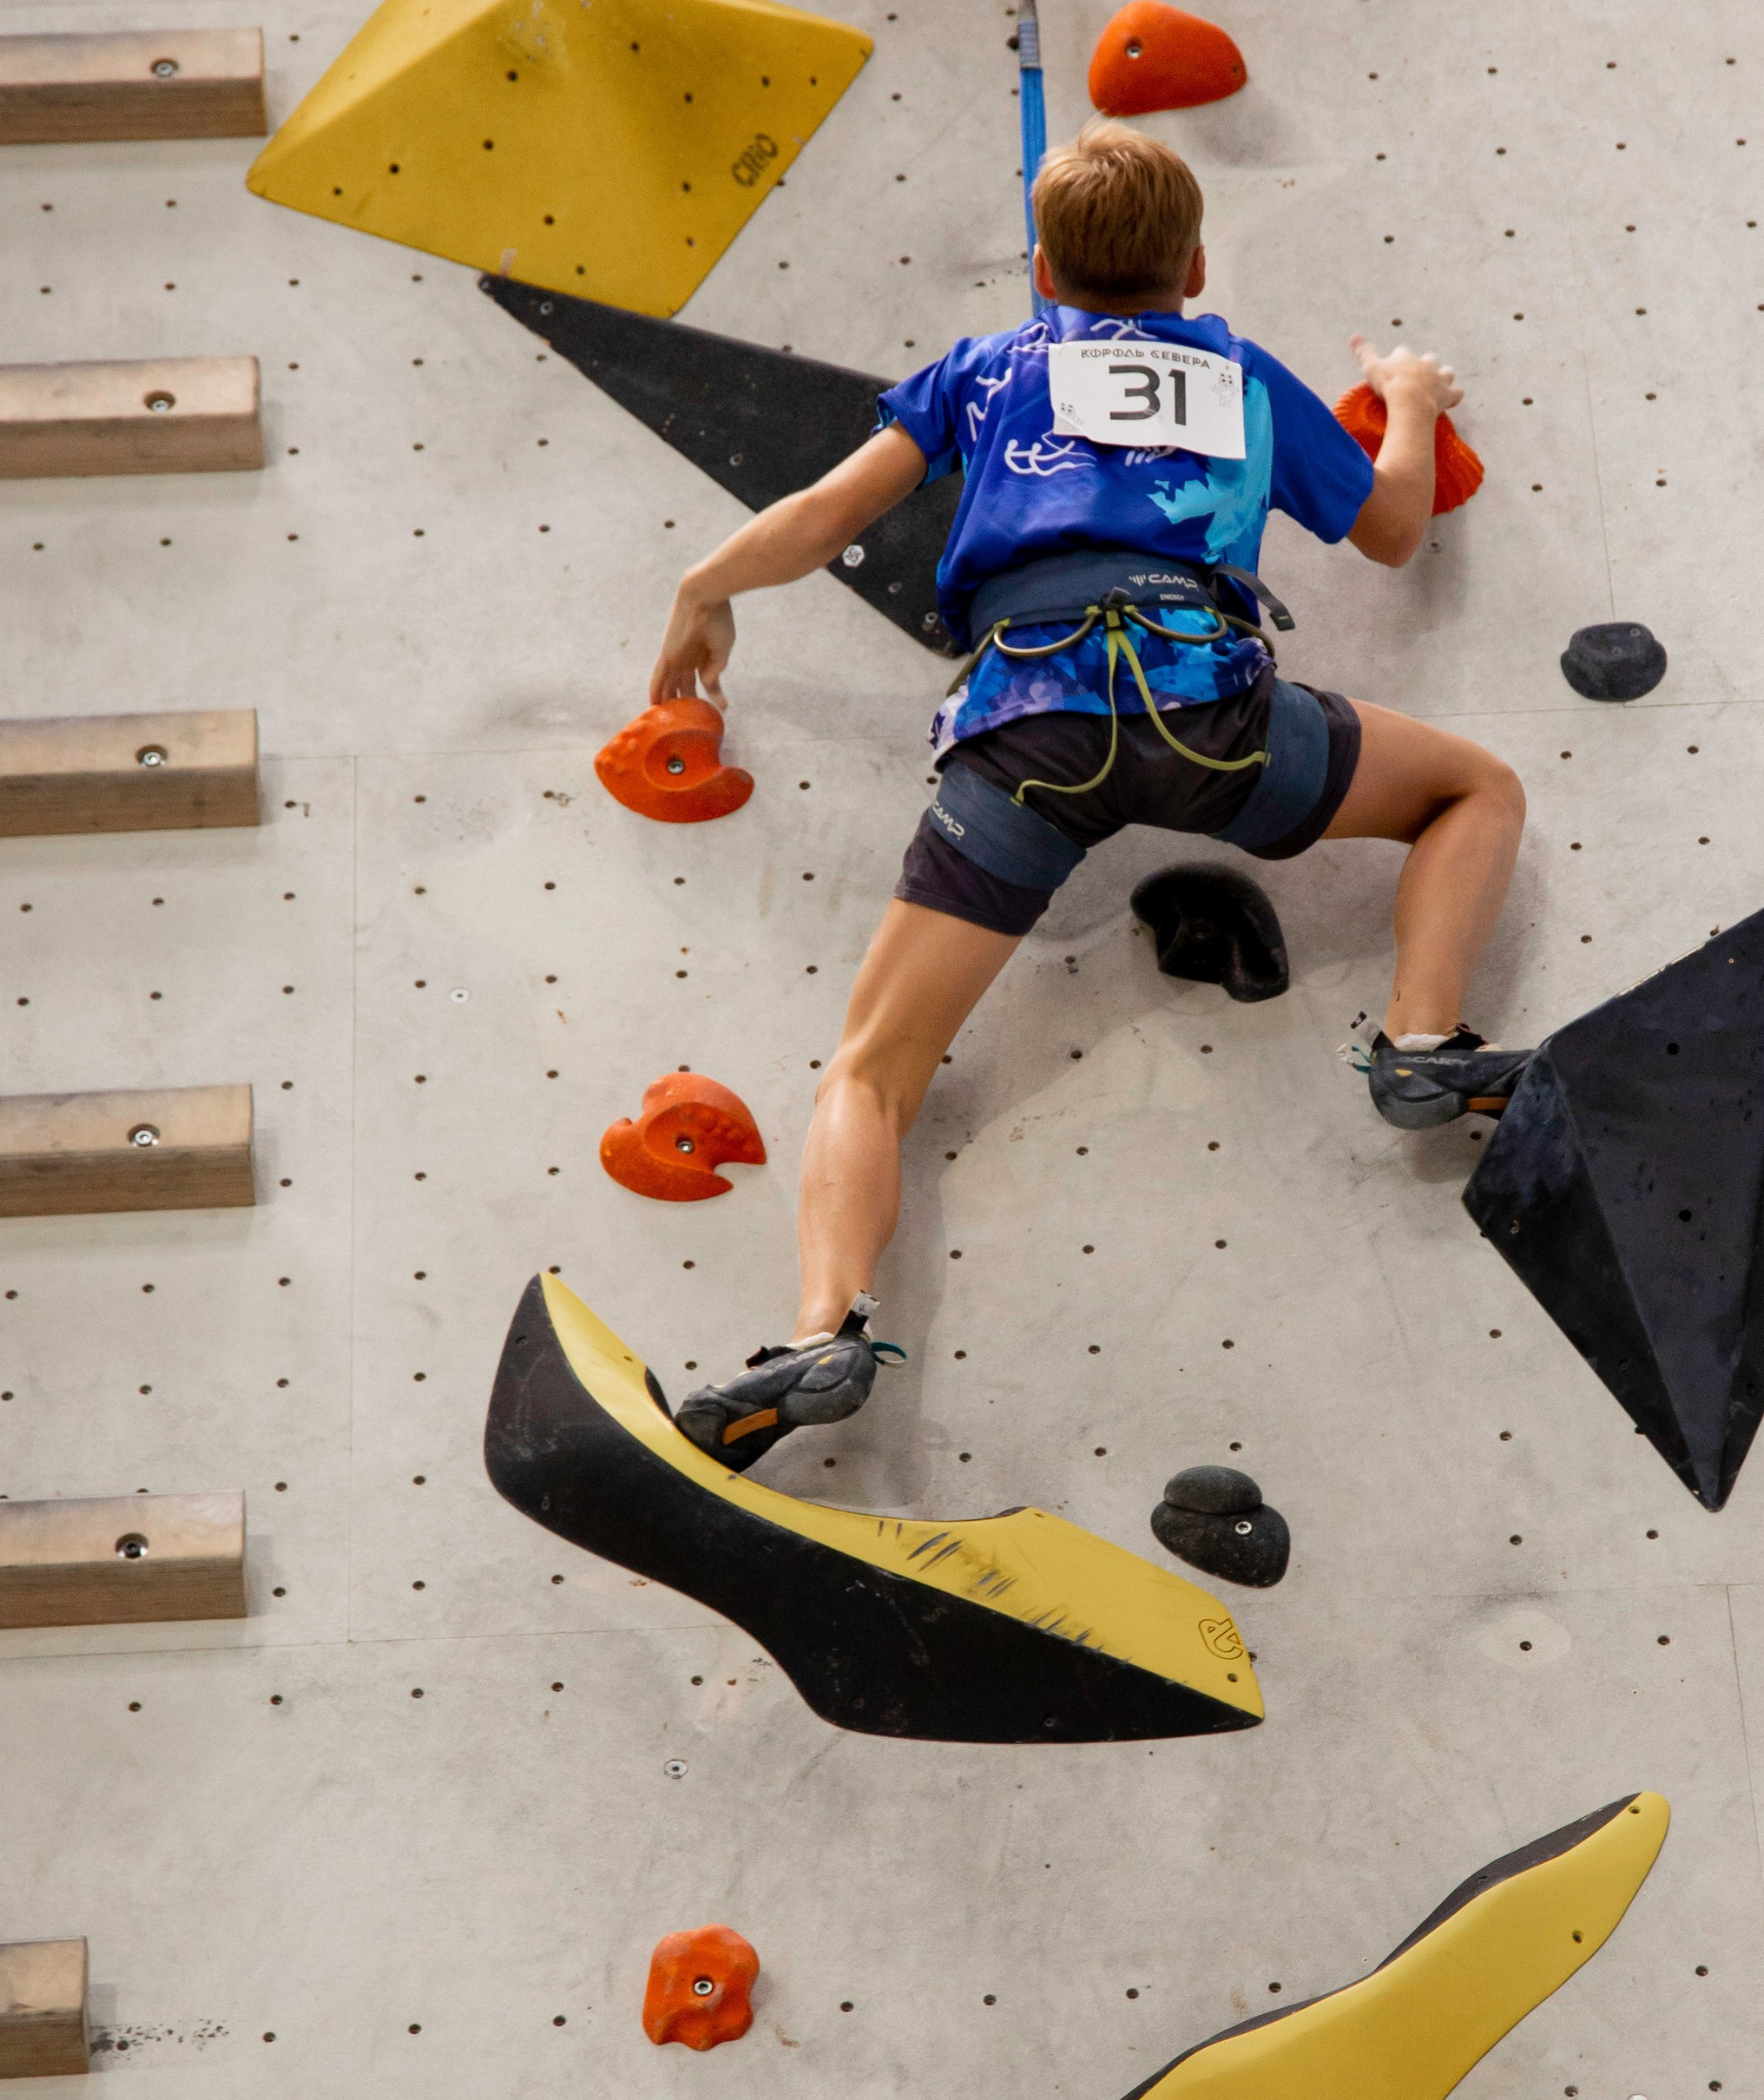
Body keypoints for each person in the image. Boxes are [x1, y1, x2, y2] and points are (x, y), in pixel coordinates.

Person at [646, 122, 1526, 1470]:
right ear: (1197, 264)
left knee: (873, 1070)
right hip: (1211, 713)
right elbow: (1396, 529)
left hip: (1025, 736)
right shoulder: (1237, 372)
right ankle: (1422, 1043)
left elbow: (826, 514)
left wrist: (703, 587)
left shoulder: (990, 368)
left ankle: (823, 1325)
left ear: (1042, 267)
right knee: (1476, 788)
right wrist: (1405, 396)